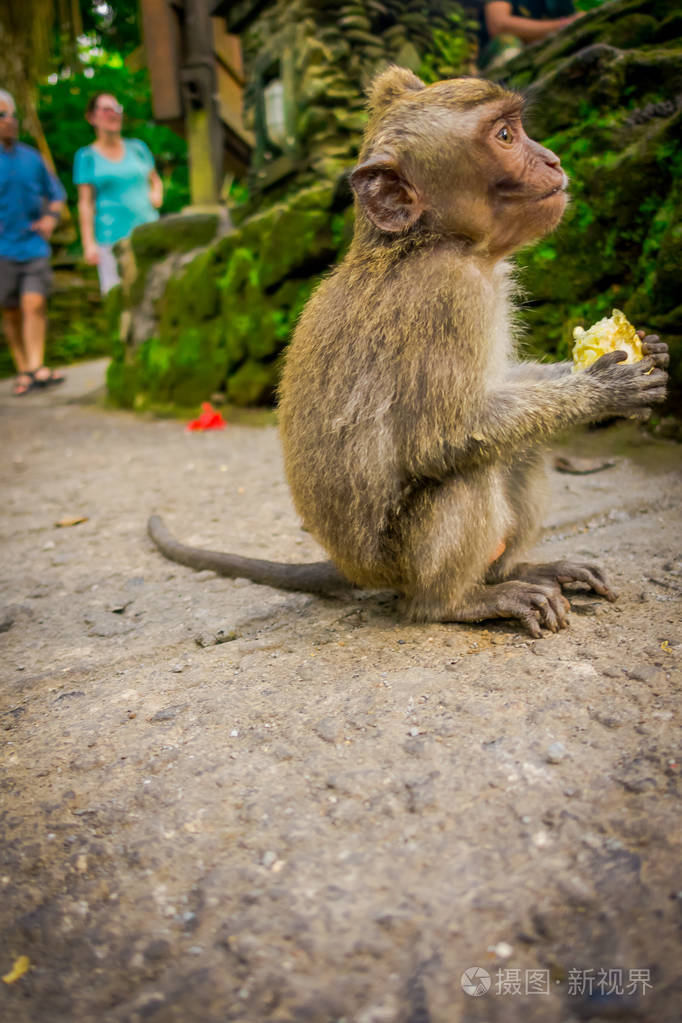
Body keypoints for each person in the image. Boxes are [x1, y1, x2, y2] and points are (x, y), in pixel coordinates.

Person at [0, 90, 66, 397]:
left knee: (34, 303)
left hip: (33, 245)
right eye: (2, 115)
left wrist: (50, 218)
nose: (10, 121)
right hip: (3, 249)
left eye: (12, 115)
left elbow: (56, 194)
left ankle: (37, 365)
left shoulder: (32, 158)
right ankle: (24, 368)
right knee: (11, 310)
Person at [74, 92, 163, 295]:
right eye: (106, 109)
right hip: (111, 238)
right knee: (117, 295)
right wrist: (88, 244)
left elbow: (155, 180)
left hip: (148, 232)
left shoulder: (138, 148)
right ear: (92, 117)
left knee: (154, 292)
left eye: (117, 109)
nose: (113, 114)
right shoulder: (86, 156)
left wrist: (156, 194)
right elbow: (85, 202)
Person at [479, 0, 582, 69]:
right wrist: (564, 24)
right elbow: (499, 24)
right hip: (497, 58)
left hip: (540, 58)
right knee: (508, 42)